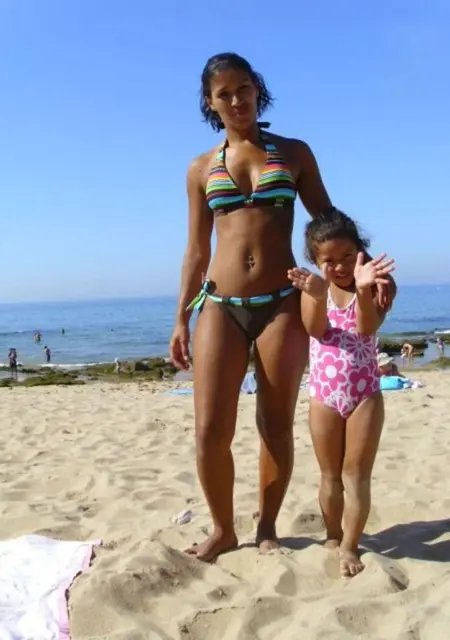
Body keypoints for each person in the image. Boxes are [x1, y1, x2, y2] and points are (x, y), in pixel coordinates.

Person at [169, 52, 396, 562]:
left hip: (281, 304)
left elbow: (329, 223)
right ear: (210, 102)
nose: (236, 100)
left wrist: (367, 272)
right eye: (224, 93)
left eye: (244, 88)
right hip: (221, 304)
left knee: (274, 423)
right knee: (209, 429)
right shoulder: (200, 168)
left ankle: (267, 524)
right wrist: (181, 316)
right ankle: (222, 530)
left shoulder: (293, 153)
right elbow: (196, 250)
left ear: (257, 89)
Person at [288, 210, 396, 578]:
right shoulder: (314, 289)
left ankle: (351, 545)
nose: (340, 267)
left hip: (364, 394)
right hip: (324, 395)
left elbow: (366, 328)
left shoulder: (379, 284)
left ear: (360, 249)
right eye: (329, 260)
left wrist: (364, 290)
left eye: (348, 256)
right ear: (315, 260)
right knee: (329, 475)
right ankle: (333, 536)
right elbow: (315, 330)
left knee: (355, 475)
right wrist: (318, 297)